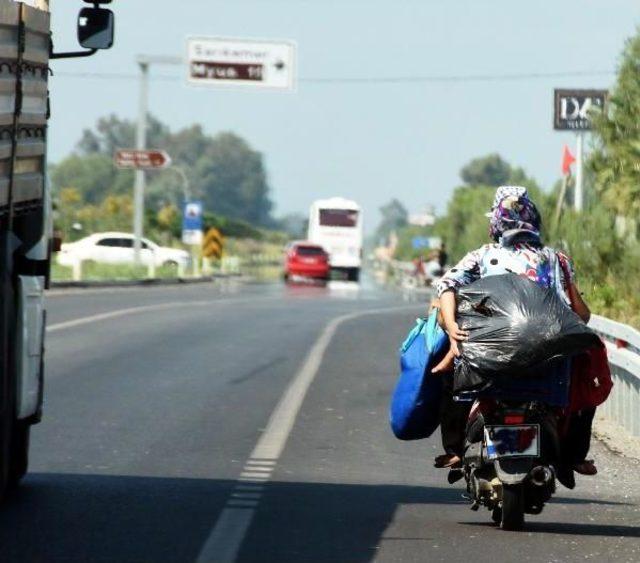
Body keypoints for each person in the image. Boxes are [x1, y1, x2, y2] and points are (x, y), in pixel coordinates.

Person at [433, 186, 595, 476]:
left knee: (450, 377)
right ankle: (573, 456)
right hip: (546, 357)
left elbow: (447, 285)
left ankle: (454, 450)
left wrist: (453, 326)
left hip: (489, 356)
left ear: (495, 222)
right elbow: (581, 313)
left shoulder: (481, 256)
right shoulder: (557, 259)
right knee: (585, 375)